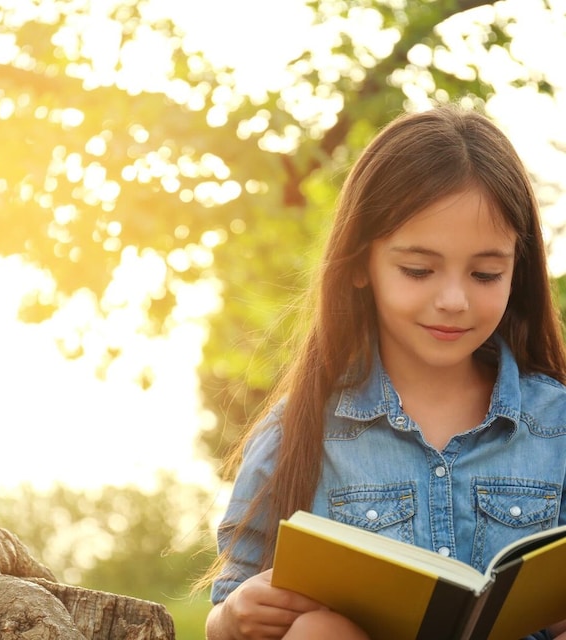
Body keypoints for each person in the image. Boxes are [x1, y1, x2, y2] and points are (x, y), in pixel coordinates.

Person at [203, 103, 566, 640]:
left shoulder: (556, 425)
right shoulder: (299, 431)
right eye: (418, 270)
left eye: (486, 274)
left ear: (519, 268)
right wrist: (232, 618)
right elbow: (231, 600)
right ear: (359, 266)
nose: (453, 300)